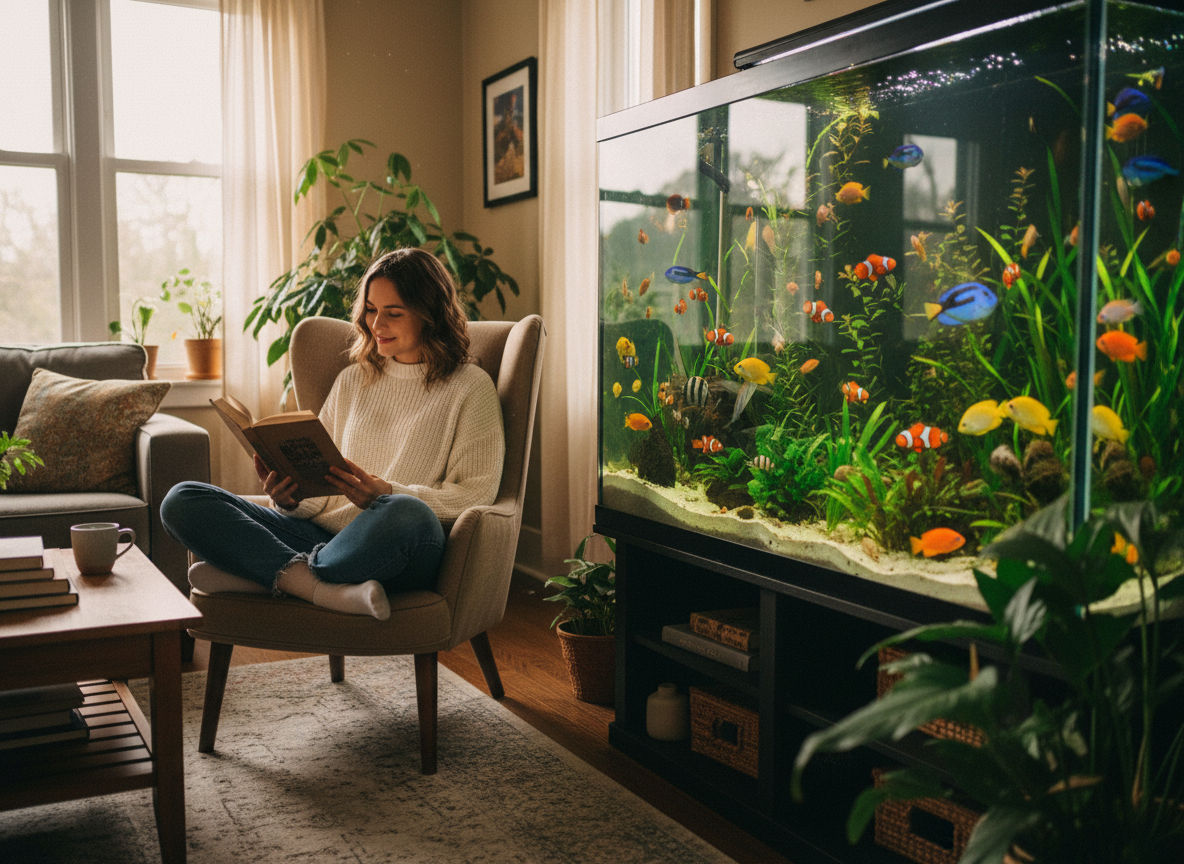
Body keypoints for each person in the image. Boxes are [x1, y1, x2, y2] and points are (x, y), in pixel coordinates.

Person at [161, 248, 505, 620]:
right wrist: (290, 498)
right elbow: (321, 492)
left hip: (396, 545)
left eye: (393, 313)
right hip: (321, 540)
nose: (376, 324)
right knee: (182, 499)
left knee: (408, 514)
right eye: (371, 310)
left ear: (430, 316)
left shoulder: (470, 386)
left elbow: (476, 494)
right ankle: (314, 585)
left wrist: (387, 493)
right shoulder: (354, 380)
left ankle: (265, 573)